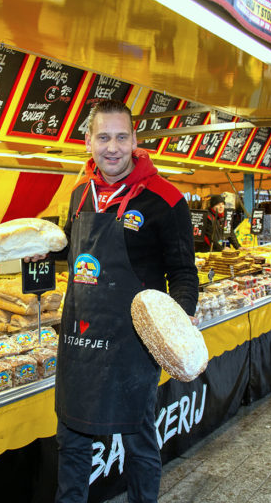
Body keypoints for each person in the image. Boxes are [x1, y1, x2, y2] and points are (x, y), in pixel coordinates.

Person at [54, 99, 199, 502]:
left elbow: (184, 272)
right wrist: (43, 251)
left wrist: (182, 316)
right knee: (72, 443)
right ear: (88, 141)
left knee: (139, 443)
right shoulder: (79, 193)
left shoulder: (166, 199)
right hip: (80, 339)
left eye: (121, 137)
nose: (112, 147)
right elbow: (74, 250)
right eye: (103, 137)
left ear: (135, 140)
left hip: (133, 344)